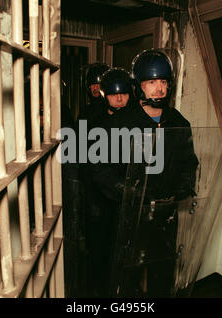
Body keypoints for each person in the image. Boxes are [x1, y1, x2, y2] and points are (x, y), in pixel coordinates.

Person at [93, 49, 199, 297]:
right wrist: (126, 190)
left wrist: (181, 188)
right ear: (139, 86)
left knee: (162, 275)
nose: (159, 89)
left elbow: (188, 162)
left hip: (165, 217)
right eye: (151, 82)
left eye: (163, 82)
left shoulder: (179, 123)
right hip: (130, 214)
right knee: (125, 278)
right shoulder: (120, 123)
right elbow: (99, 168)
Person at [82, 67, 136, 297]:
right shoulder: (93, 119)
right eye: (114, 94)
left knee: (123, 247)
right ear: (105, 95)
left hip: (126, 194)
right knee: (99, 246)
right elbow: (88, 163)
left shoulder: (136, 119)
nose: (120, 98)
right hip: (100, 194)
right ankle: (98, 290)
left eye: (123, 93)